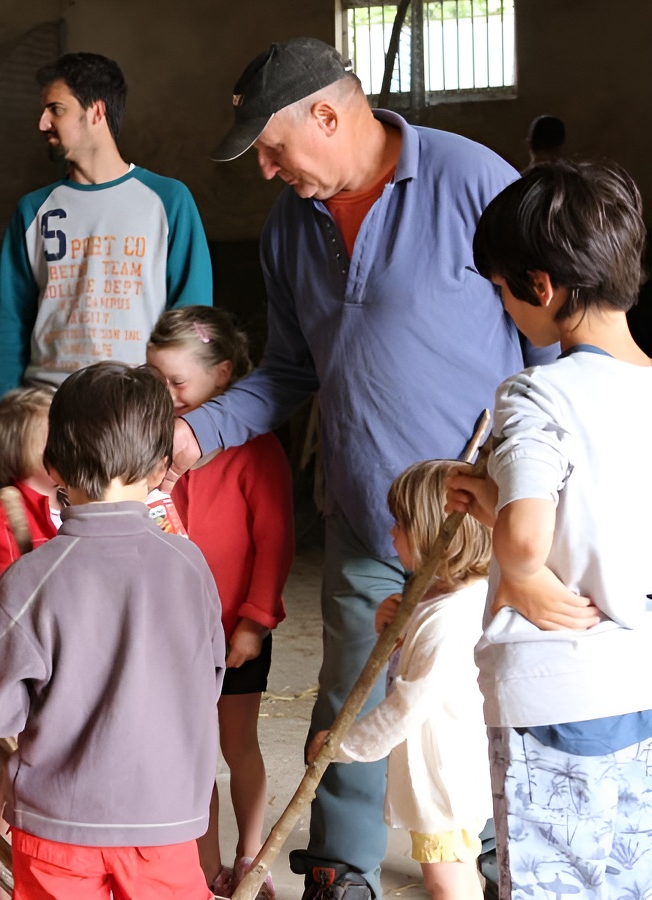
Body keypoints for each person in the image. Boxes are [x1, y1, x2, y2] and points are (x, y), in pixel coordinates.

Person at [170, 37, 556, 899]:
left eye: (270, 148)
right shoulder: (289, 229)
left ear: (328, 114)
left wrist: (540, 489)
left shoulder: (471, 181)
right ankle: (340, 867)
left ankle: (505, 854)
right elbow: (288, 370)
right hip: (366, 509)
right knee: (353, 688)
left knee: (492, 689)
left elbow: (549, 340)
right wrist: (201, 434)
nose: (266, 171)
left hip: (486, 520)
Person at [447, 159, 652, 899]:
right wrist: (499, 496)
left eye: (502, 291)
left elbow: (530, 538)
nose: (504, 307)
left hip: (556, 690)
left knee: (555, 880)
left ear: (540, 286)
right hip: (637, 681)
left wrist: (523, 574)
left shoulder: (537, 392)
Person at [0, 361, 225, 900]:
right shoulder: (190, 564)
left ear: (52, 464)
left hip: (58, 831)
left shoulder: (30, 579)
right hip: (167, 822)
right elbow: (209, 681)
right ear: (159, 469)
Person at [146, 306, 294, 898]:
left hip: (236, 630)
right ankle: (205, 870)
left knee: (238, 744)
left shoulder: (256, 449)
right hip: (174, 631)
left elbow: (275, 541)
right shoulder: (157, 446)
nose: (166, 393)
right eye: (154, 378)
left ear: (224, 374)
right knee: (193, 750)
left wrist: (255, 623)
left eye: (176, 382)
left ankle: (249, 857)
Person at [309, 460, 493, 900]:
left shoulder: (447, 618)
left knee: (445, 879)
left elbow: (409, 704)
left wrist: (343, 744)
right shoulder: (453, 596)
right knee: (457, 866)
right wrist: (399, 622)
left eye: (402, 523)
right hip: (456, 764)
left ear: (436, 535)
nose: (391, 532)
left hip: (444, 771)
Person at [0, 52, 213, 407]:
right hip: (47, 403)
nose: (43, 122)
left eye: (56, 109)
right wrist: (2, 410)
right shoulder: (33, 210)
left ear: (96, 111)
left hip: (136, 401)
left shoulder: (168, 200)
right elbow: (11, 318)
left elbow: (194, 312)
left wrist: (185, 408)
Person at [0, 383, 61, 900]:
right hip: (27, 671)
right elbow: (11, 601)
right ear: (20, 451)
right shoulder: (7, 515)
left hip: (55, 667)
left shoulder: (61, 502)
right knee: (17, 778)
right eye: (53, 434)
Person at [0, 384, 61, 596]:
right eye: (55, 439)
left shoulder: (80, 500)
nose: (70, 445)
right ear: (18, 450)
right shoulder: (2, 523)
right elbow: (7, 602)